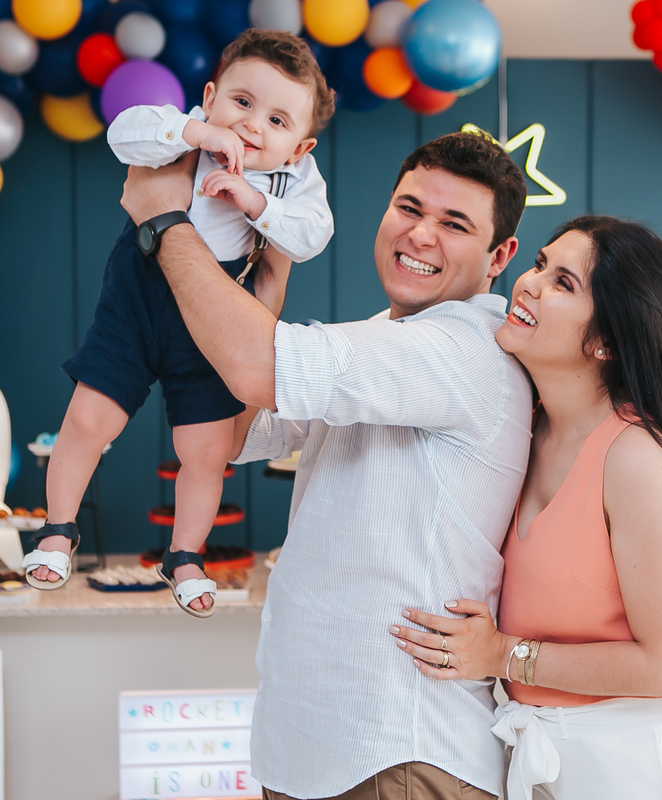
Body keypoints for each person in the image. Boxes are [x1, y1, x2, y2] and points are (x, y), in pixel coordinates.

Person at [118, 132, 533, 800]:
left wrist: (166, 223)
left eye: (455, 224)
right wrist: (270, 286)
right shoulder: (385, 336)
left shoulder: (461, 349)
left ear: (499, 257)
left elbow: (255, 366)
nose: (421, 234)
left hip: (397, 753)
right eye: (409, 208)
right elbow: (233, 433)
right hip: (314, 747)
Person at [390, 216, 662, 800]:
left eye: (563, 283)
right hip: (545, 754)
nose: (529, 284)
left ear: (607, 339)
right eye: (539, 265)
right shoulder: (522, 429)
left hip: (641, 761)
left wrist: (501, 654)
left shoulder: (638, 458)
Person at [23, 30, 336, 619]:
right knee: (88, 418)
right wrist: (196, 133)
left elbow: (313, 235)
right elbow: (123, 132)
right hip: (138, 298)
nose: (252, 126)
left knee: (207, 450)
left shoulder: (293, 180)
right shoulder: (183, 128)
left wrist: (255, 203)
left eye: (276, 121)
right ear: (211, 96)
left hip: (212, 317)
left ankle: (185, 555)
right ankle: (58, 528)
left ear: (299, 147)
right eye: (241, 102)